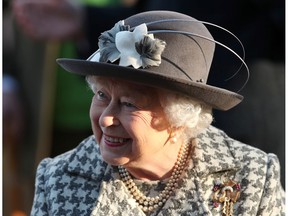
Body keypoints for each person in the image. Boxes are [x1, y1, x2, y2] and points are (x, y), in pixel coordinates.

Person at [30, 11, 285, 215]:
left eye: (129, 103)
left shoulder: (252, 176)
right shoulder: (58, 178)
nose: (106, 118)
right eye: (102, 95)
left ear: (180, 118)